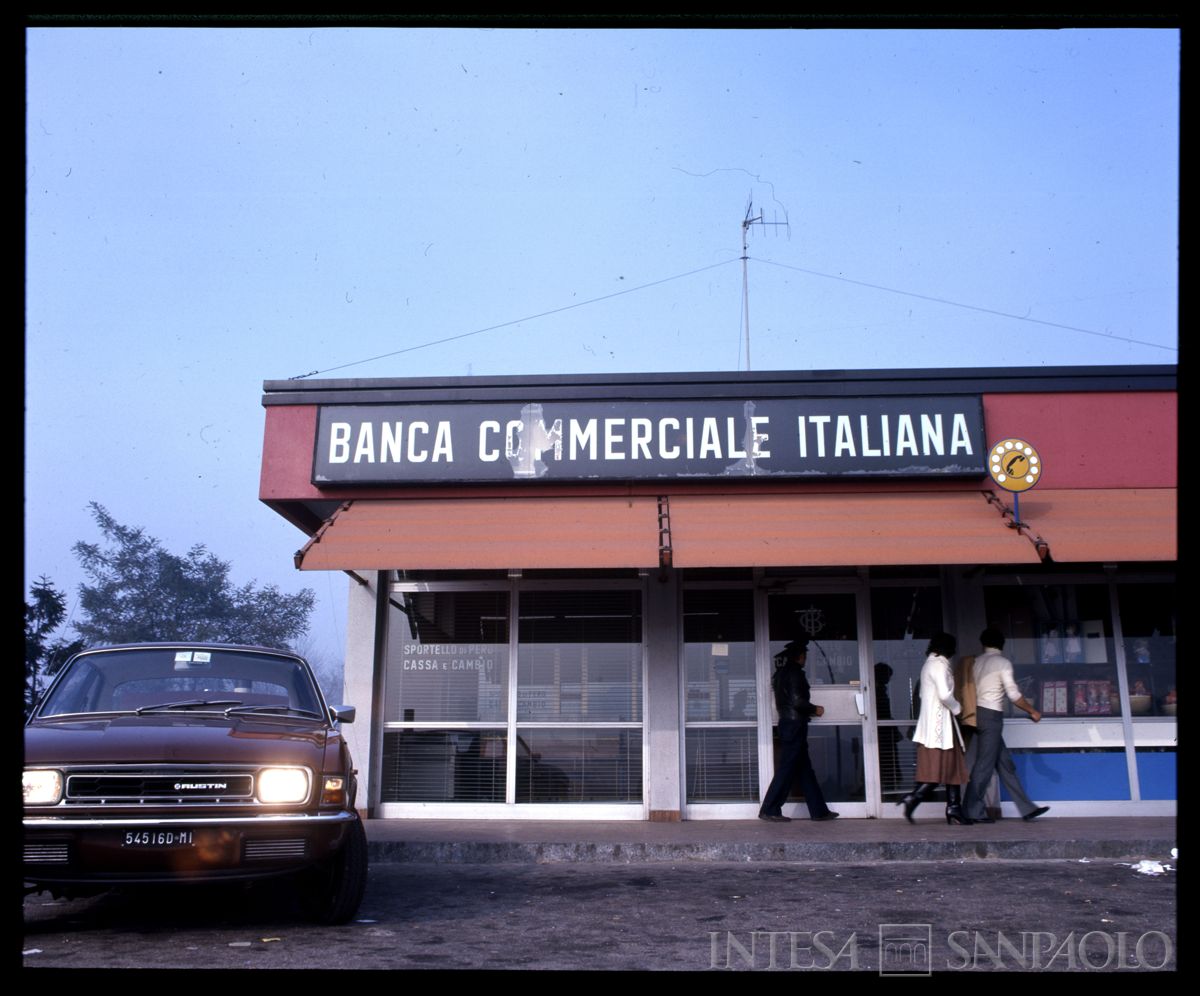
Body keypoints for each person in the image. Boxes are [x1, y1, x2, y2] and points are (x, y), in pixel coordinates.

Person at [962, 627, 1050, 823]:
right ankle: (971, 811)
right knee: (984, 765)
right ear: (1002, 644)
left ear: (983, 643)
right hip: (992, 716)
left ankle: (1027, 808)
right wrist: (1033, 711)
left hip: (977, 715)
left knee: (1005, 764)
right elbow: (1014, 695)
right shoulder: (1002, 663)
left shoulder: (976, 662)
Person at [758, 638, 839, 823]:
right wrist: (815, 709)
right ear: (800, 656)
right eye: (804, 656)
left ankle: (819, 811)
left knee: (805, 770)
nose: (805, 659)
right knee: (786, 769)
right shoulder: (795, 674)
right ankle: (770, 809)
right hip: (795, 726)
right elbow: (797, 702)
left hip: (789, 725)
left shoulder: (781, 674)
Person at [901, 632, 970, 825]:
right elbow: (945, 695)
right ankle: (914, 798)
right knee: (938, 770)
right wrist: (958, 709)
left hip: (938, 726)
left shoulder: (929, 664)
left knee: (952, 768)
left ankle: (954, 808)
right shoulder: (939, 665)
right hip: (939, 727)